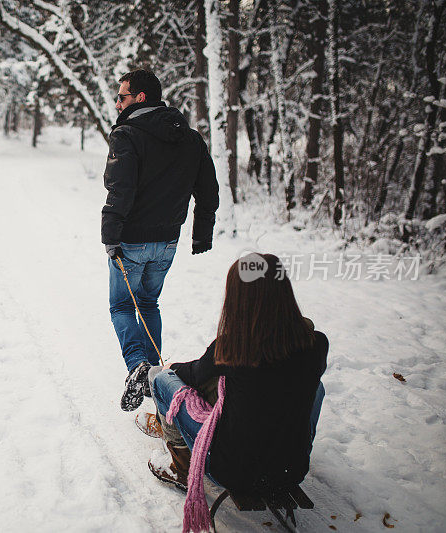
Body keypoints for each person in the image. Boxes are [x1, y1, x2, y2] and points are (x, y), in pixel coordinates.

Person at [143, 253, 327, 528]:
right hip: (292, 469)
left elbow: (193, 375)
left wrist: (172, 366)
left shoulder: (233, 347)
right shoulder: (317, 344)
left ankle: (181, 466)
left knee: (161, 379)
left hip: (233, 471)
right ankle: (285, 446)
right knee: (316, 387)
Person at [101, 69, 219, 411]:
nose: (117, 102)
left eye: (121, 96)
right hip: (167, 241)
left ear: (139, 98)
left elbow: (119, 190)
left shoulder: (127, 135)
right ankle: (155, 379)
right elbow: (208, 191)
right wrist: (201, 234)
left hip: (131, 240)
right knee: (148, 304)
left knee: (122, 306)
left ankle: (138, 366)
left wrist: (111, 235)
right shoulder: (190, 138)